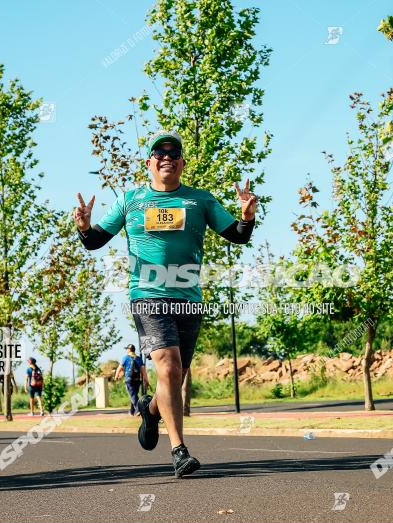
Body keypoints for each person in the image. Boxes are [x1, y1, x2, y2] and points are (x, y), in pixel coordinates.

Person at [75, 130, 257, 478]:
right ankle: (179, 451)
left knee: (174, 376)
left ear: (183, 163)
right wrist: (84, 227)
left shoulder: (200, 200)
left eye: (174, 153)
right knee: (169, 368)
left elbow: (236, 235)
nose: (166, 158)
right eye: (159, 153)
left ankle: (151, 410)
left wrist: (246, 217)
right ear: (149, 162)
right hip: (147, 295)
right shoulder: (130, 200)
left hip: (188, 297)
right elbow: (95, 241)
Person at [114, 344, 150, 416]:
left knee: (133, 395)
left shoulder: (126, 358)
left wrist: (116, 376)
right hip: (137, 380)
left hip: (129, 379)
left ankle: (138, 409)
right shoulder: (139, 358)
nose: (126, 350)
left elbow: (119, 368)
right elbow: (143, 370)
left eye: (127, 349)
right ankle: (131, 411)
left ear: (129, 350)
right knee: (134, 394)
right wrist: (146, 380)